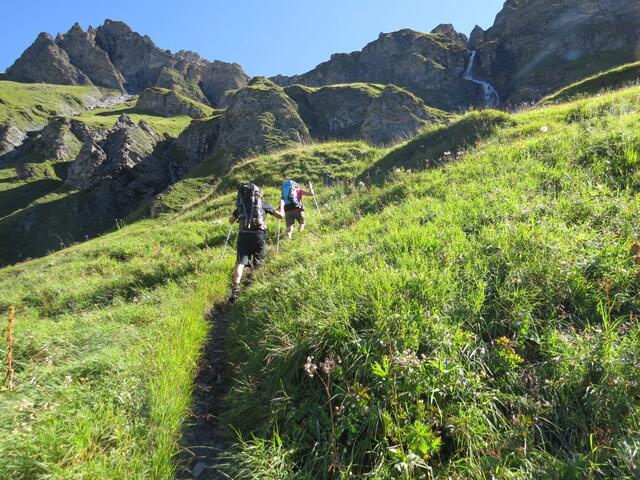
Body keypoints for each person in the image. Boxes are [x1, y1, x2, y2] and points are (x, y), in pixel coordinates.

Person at [229, 183, 284, 302]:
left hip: (243, 235)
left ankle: (235, 289)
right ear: (259, 194)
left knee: (240, 262)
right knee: (259, 262)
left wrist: (236, 211)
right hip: (258, 235)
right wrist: (282, 206)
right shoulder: (263, 203)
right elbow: (280, 216)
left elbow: (231, 221)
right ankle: (253, 287)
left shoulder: (241, 205)